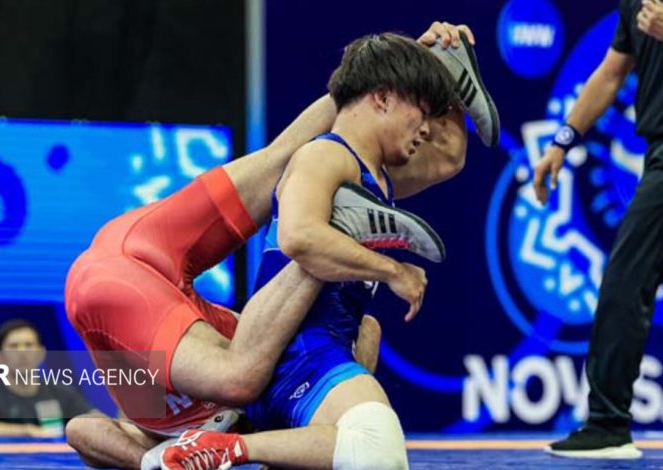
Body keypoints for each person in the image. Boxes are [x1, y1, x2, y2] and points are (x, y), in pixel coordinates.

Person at [160, 29, 496, 470]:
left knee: (369, 346)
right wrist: (393, 271)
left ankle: (225, 443)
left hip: (323, 351)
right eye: (420, 110)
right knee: (379, 447)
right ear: (382, 97)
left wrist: (446, 63)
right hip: (298, 353)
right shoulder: (325, 155)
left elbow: (451, 154)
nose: (428, 128)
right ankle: (228, 448)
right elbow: (298, 237)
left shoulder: (378, 176)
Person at [534, 0, 663, 460]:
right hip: (662, 153)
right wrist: (562, 141)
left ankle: (607, 424)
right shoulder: (637, 3)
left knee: (626, 281)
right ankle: (607, 425)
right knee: (625, 282)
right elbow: (611, 74)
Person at [0, 319, 98, 438]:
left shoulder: (60, 391)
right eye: (13, 346)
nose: (22, 352)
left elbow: (95, 418)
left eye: (29, 345)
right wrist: (28, 431)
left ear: (41, 353)